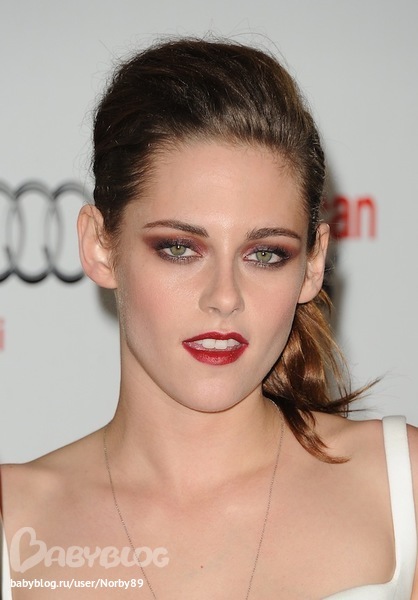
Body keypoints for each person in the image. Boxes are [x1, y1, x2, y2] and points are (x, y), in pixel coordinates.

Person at [1, 37, 417, 599]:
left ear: (313, 264)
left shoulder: (401, 490)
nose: (224, 297)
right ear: (100, 246)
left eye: (265, 254)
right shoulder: (16, 519)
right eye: (179, 248)